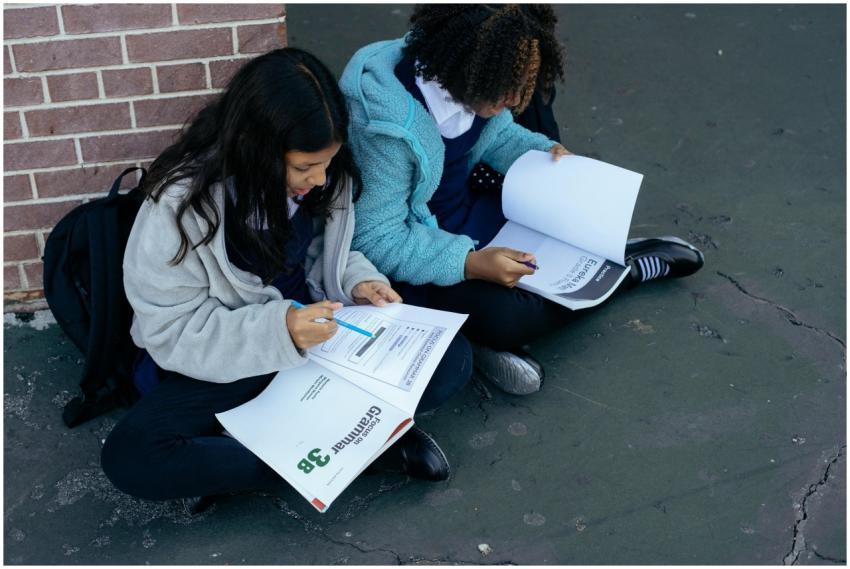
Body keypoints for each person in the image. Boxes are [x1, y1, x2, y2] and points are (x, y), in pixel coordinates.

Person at [101, 48, 470, 511]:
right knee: (132, 458)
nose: (318, 180)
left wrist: (357, 281)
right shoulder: (179, 208)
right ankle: (365, 446)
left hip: (321, 343)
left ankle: (286, 453)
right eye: (303, 168)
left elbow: (327, 251)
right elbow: (169, 331)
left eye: (326, 165)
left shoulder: (323, 181)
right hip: (234, 361)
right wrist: (280, 330)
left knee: (453, 358)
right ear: (258, 148)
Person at [339, 4, 704, 396]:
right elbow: (376, 237)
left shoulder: (472, 82)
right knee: (506, 317)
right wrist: (468, 263)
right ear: (464, 69)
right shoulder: (384, 126)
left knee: (566, 223)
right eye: (504, 90)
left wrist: (544, 153)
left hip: (475, 212)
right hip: (425, 244)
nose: (513, 100)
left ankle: (603, 265)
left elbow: (497, 136)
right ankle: (626, 274)